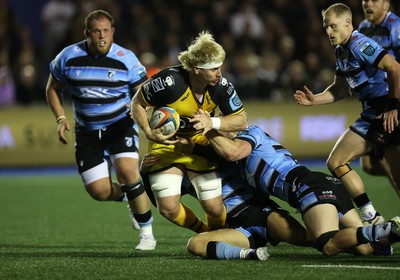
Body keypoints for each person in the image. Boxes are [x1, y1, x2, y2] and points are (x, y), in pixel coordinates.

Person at [192, 115, 400, 257]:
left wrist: (210, 128)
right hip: (322, 184)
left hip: (307, 188)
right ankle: (386, 234)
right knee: (365, 250)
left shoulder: (250, 133)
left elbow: (232, 151)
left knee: (327, 244)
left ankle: (383, 229)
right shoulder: (236, 163)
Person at [142, 145, 392, 260]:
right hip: (236, 227)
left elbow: (231, 150)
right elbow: (164, 203)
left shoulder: (222, 154)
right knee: (195, 245)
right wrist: (146, 173)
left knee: (316, 240)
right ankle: (250, 254)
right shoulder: (184, 176)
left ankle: (374, 234)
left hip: (260, 213)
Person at [45, 10, 156, 250]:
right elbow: (53, 88)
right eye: (96, 31)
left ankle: (147, 233)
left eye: (106, 31)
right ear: (87, 34)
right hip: (87, 132)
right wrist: (60, 118)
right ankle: (130, 196)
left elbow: (145, 91)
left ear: (113, 32)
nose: (102, 36)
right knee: (99, 191)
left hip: (120, 125)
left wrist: (139, 107)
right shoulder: (68, 57)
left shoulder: (126, 58)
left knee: (128, 173)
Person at [130, 31, 248, 233]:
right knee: (167, 208)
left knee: (214, 208)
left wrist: (211, 122)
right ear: (195, 69)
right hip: (167, 143)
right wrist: (149, 132)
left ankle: (218, 235)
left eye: (220, 67)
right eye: (213, 69)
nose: (219, 73)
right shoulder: (168, 82)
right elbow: (137, 103)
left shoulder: (221, 86)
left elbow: (241, 121)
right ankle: (205, 234)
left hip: (200, 142)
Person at [294, 3, 400, 225]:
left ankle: (373, 219)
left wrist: (393, 106)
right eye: (326, 28)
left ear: (348, 23)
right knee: (336, 161)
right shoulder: (341, 50)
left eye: (333, 26)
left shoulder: (360, 44)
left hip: (386, 112)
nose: (329, 32)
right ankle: (371, 216)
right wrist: (315, 100)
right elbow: (339, 88)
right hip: (371, 114)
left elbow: (394, 68)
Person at [357, 0, 400, 197]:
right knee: (368, 163)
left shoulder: (395, 27)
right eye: (366, 0)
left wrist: (394, 104)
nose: (368, 4)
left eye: (374, 0)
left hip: (392, 101)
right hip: (376, 103)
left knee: (388, 158)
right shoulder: (364, 28)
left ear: (386, 5)